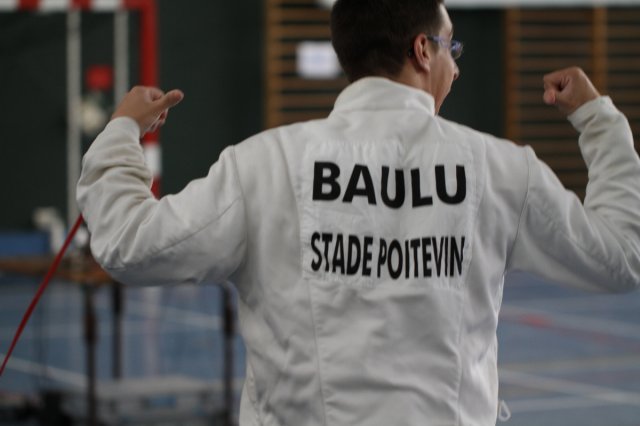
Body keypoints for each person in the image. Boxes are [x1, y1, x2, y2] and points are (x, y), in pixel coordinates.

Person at [76, 0, 640, 424]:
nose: (456, 68)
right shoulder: (499, 168)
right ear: (422, 51)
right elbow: (621, 256)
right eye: (452, 49)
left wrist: (122, 130)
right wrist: (597, 120)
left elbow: (130, 245)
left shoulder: (263, 164)